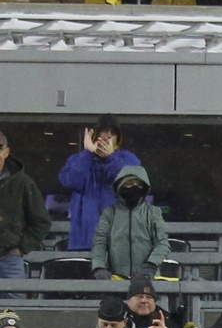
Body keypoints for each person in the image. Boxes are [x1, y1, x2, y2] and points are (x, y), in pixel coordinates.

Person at [58, 114, 139, 252]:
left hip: (118, 244)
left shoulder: (128, 159)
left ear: (118, 137)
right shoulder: (78, 159)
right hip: (84, 243)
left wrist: (110, 158)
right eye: (104, 131)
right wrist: (87, 154)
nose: (108, 136)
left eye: (113, 133)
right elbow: (70, 181)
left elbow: (130, 184)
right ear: (95, 134)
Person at [89, 163, 169, 280]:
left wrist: (151, 265)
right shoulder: (109, 213)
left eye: (138, 184)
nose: (134, 187)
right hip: (115, 277)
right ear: (121, 186)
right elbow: (100, 242)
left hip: (147, 279)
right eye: (130, 183)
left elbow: (163, 243)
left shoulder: (153, 212)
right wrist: (99, 267)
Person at [0, 130, 50, 289]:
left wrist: (20, 248)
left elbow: (41, 222)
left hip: (9, 258)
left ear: (6, 152)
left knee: (15, 310)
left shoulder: (23, 183)